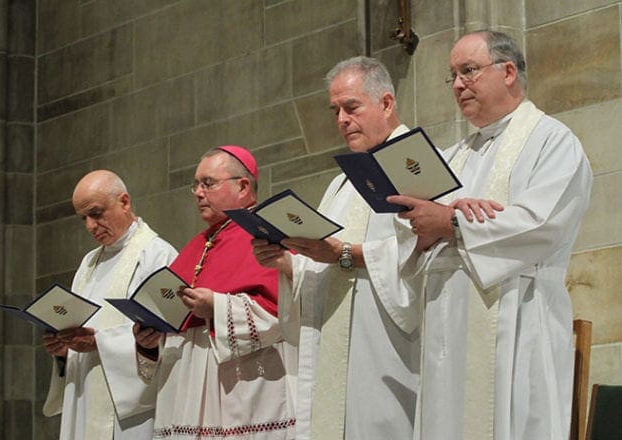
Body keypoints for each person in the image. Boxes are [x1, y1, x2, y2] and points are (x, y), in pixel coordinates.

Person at [387, 30, 593, 439]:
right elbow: (415, 223)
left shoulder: (552, 142)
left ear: (509, 72)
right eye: (453, 76)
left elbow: (541, 223)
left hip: (519, 322)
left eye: (469, 71)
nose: (459, 84)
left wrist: (453, 223)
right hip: (448, 326)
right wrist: (426, 224)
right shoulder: (454, 155)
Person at [252, 56, 422, 439]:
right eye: (336, 111)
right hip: (339, 352)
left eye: (351, 107)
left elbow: (428, 257)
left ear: (387, 103)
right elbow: (325, 263)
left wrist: (348, 254)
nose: (342, 120)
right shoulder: (342, 184)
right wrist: (287, 262)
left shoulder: (415, 163)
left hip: (386, 348)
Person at [133, 146, 297, 439]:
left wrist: (217, 307)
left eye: (208, 183)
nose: (198, 192)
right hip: (187, 392)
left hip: (242, 390)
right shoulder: (198, 244)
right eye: (195, 184)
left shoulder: (267, 235)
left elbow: (282, 314)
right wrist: (150, 339)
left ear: (243, 186)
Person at [41, 170, 178, 440]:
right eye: (84, 218)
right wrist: (63, 350)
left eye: (96, 213)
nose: (90, 226)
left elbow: (171, 336)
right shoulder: (88, 264)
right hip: (84, 399)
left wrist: (99, 343)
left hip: (132, 413)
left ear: (124, 202)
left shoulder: (158, 255)